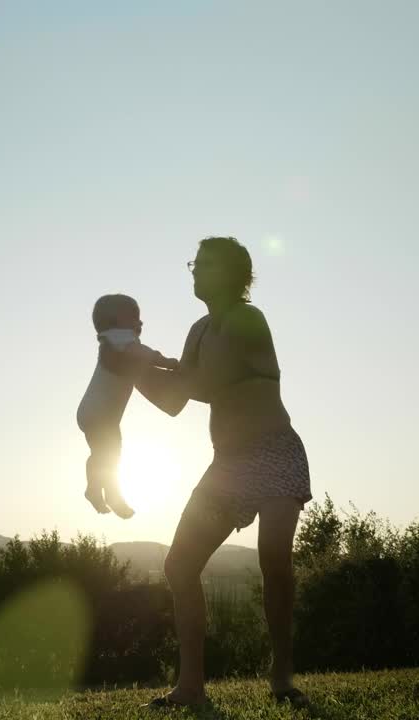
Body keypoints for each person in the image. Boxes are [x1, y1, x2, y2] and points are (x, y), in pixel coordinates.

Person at [135, 237, 312, 709]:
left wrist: (140, 364)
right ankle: (190, 686)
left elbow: (204, 384)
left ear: (236, 274)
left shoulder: (247, 319)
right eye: (194, 263)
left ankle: (281, 674)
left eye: (206, 264)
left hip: (275, 452)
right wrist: (137, 369)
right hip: (229, 465)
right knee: (180, 565)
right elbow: (175, 401)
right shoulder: (198, 329)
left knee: (274, 557)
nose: (194, 271)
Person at [77, 293, 178, 519]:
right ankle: (101, 491)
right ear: (114, 320)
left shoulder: (114, 340)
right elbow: (140, 354)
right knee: (108, 454)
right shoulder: (118, 337)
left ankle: (101, 491)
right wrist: (166, 362)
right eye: (133, 317)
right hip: (99, 413)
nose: (139, 322)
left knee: (107, 454)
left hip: (97, 413)